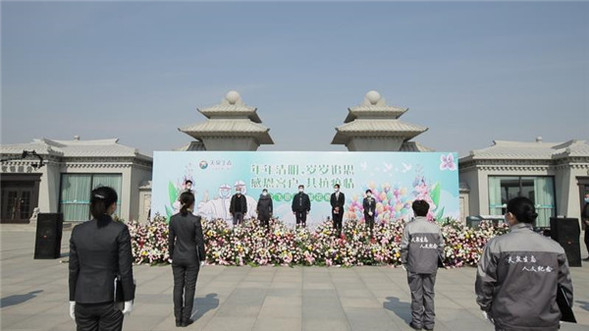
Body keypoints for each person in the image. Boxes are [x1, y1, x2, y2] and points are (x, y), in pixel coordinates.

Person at [476, 196, 573, 331]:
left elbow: (484, 281)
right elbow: (565, 286)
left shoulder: (497, 245)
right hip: (547, 320)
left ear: (510, 216)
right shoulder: (555, 247)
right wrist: (563, 311)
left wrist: (486, 306)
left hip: (508, 319)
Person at [69, 186, 134, 331]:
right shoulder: (119, 229)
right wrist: (128, 297)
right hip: (110, 297)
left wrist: (72, 298)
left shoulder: (78, 231)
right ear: (113, 206)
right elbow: (125, 268)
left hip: (83, 297)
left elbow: (73, 269)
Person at [400, 200, 444, 331]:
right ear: (427, 211)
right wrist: (437, 261)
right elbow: (441, 247)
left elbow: (404, 247)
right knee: (429, 294)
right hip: (430, 266)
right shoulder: (435, 228)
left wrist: (404, 261)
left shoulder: (410, 227)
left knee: (416, 294)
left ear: (414, 211)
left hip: (414, 265)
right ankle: (429, 323)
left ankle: (417, 322)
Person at [168, 191, 206, 327]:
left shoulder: (173, 219)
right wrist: (202, 258)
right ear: (192, 203)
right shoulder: (195, 220)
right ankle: (185, 318)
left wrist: (171, 255)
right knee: (190, 288)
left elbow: (171, 240)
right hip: (191, 258)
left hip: (177, 257)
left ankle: (177, 318)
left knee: (178, 287)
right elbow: (200, 241)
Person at [583, 193, 589, 261]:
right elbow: (583, 215)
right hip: (587, 226)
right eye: (585, 197)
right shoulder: (586, 206)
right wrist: (585, 221)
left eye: (587, 197)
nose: (586, 198)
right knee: (586, 240)